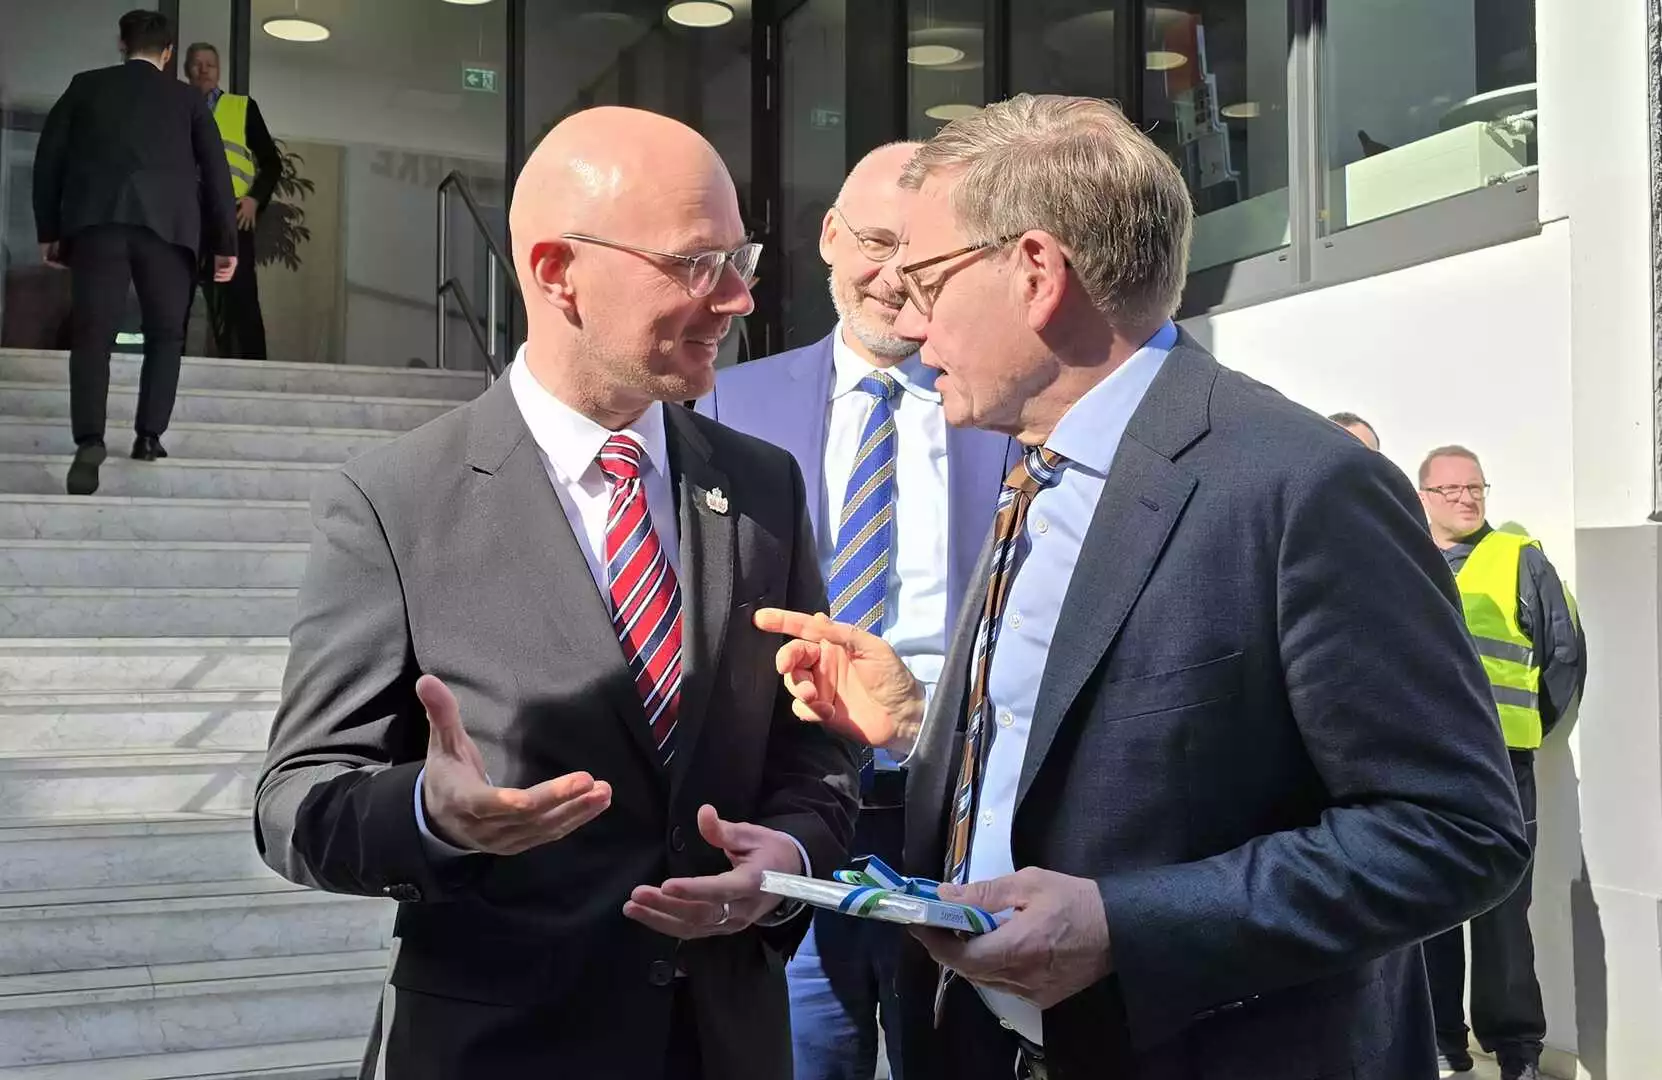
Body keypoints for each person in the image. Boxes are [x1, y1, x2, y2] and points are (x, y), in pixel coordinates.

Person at [754, 94, 1531, 1080]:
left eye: (928, 280)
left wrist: (1126, 927)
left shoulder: (1301, 485)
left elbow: (1454, 832)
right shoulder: (1032, 461)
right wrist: (919, 723)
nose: (907, 317)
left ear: (1035, 273)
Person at [254, 106, 859, 1080]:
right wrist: (428, 814)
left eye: (739, 258)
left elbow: (815, 748)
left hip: (729, 1045)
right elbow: (296, 801)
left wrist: (785, 864)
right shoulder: (394, 501)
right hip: (500, 1048)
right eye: (698, 264)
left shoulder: (764, 487)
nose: (739, 298)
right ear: (555, 272)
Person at [696, 141, 1013, 1080]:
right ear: (829, 236)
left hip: (953, 823)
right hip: (790, 822)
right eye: (876, 242)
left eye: (922, 257)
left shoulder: (1005, 412)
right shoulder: (722, 403)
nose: (894, 278)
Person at [1416, 445, 1586, 1080]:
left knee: (1502, 910)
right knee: (1429, 904)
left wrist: (1528, 728)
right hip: (1425, 763)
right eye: (1451, 489)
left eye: (1476, 488)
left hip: (1499, 764)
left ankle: (1515, 1048)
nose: (1466, 498)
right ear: (1424, 497)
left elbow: (1562, 655)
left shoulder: (1519, 559)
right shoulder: (1403, 560)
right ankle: (1439, 1040)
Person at [32, 8, 237, 494]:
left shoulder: (85, 85)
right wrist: (225, 244)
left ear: (121, 45)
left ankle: (89, 440)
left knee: (92, 335)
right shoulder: (189, 99)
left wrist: (50, 230)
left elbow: (49, 159)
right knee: (166, 335)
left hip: (98, 225)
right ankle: (149, 437)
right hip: (170, 231)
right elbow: (217, 173)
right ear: (168, 54)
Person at [184, 41, 281, 360]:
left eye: (210, 64)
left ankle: (258, 372)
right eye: (197, 63)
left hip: (232, 215)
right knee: (176, 295)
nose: (204, 69)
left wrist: (255, 200)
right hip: (184, 216)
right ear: (187, 69)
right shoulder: (173, 107)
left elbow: (271, 163)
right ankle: (174, 367)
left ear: (219, 70)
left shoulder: (242, 108)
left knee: (242, 300)